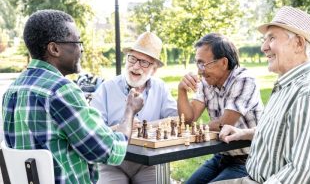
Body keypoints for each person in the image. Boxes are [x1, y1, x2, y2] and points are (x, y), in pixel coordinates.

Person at [1, 10, 144, 184]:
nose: (81, 49)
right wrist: (129, 111)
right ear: (54, 49)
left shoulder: (13, 90)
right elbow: (109, 151)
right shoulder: (61, 90)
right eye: (77, 42)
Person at [216, 6, 310, 183]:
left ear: (298, 43)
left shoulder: (308, 95)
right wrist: (243, 133)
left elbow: (302, 173)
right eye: (264, 40)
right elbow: (283, 134)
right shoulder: (288, 85)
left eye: (272, 38)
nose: (263, 47)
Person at [90, 32, 178, 184]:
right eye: (133, 59)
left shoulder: (161, 88)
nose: (136, 66)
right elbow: (93, 132)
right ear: (127, 59)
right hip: (112, 162)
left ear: (154, 69)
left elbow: (176, 121)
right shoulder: (106, 88)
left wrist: (147, 126)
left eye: (144, 62)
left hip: (149, 162)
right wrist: (123, 127)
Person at [178, 33, 264, 183]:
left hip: (252, 159)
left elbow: (224, 124)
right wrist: (181, 91)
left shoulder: (244, 80)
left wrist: (200, 128)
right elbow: (188, 119)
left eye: (203, 63)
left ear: (223, 63)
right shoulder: (207, 81)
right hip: (223, 156)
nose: (199, 70)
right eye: (197, 63)